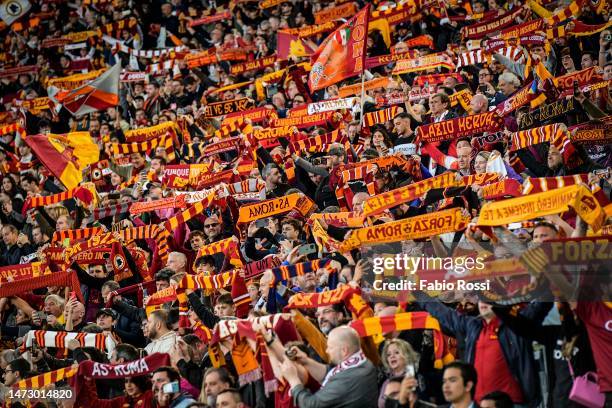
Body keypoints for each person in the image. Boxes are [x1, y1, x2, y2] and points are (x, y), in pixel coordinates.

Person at [280, 326, 378, 407]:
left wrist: (293, 380)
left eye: (330, 347)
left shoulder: (346, 380)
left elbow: (311, 405)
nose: (327, 351)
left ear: (344, 351)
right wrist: (306, 362)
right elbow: (330, 372)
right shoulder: (361, 362)